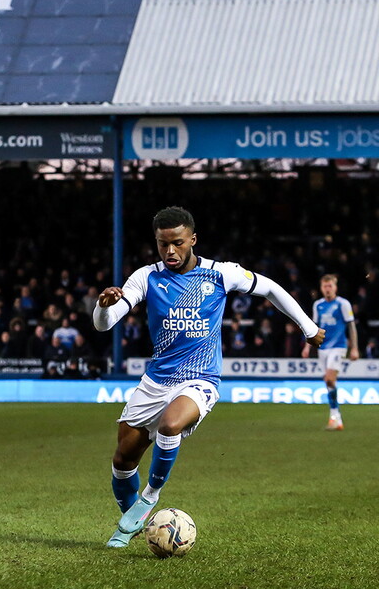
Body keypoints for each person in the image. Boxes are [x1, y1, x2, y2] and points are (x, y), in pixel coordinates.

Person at [94, 206, 324, 548]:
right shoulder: (146, 277)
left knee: (171, 426)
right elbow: (105, 324)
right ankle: (137, 527)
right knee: (122, 460)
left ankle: (151, 495)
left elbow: (271, 288)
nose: (170, 251)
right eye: (162, 244)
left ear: (193, 240)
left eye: (177, 243)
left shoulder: (220, 274)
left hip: (200, 378)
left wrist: (307, 327)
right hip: (156, 381)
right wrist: (102, 305)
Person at [302, 274, 358, 431]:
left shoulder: (343, 304)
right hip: (323, 348)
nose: (327, 289)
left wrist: (354, 348)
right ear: (321, 288)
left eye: (330, 286)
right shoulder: (317, 305)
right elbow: (314, 327)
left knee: (329, 379)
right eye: (325, 286)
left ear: (335, 287)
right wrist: (307, 347)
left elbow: (351, 326)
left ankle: (335, 416)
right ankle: (336, 418)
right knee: (329, 383)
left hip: (338, 346)